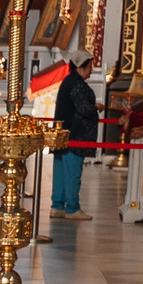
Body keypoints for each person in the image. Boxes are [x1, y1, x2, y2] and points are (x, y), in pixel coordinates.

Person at [53, 57, 100, 219]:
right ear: (80, 68)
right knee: (73, 173)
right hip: (74, 135)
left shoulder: (68, 81)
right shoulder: (77, 84)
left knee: (60, 172)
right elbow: (84, 108)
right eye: (89, 67)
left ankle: (57, 206)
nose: (91, 70)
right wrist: (96, 107)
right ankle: (72, 208)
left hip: (63, 135)